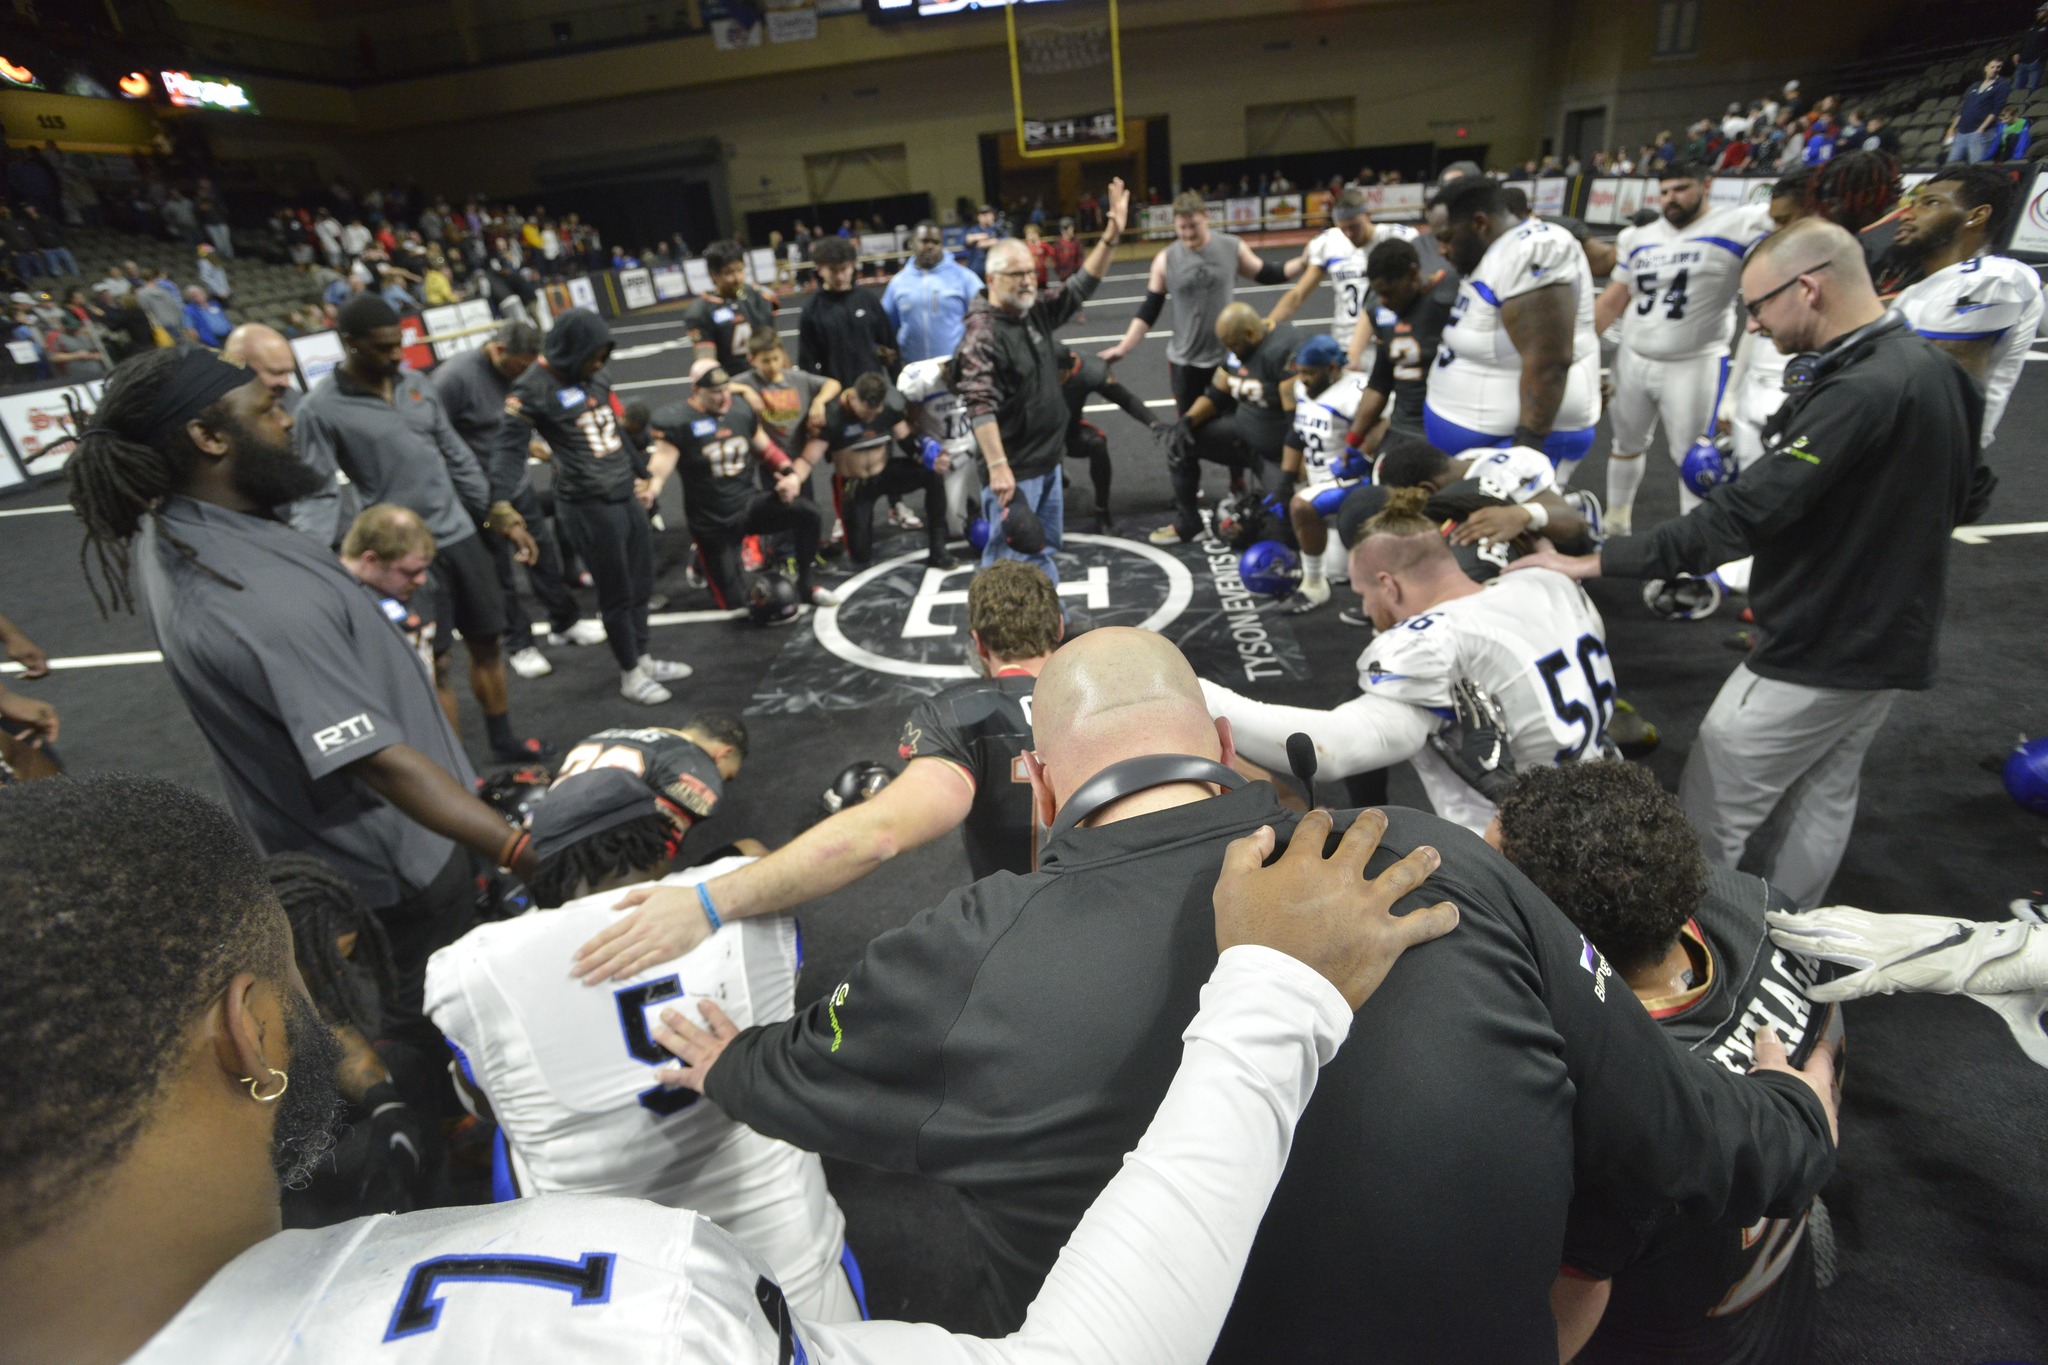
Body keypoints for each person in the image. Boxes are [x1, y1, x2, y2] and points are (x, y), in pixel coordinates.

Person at [0, 767, 1473, 1365]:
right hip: (751, 1230)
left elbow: (475, 1104)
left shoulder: (469, 973)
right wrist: (1275, 992)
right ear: (247, 1034)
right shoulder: (595, 1304)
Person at [649, 626, 1838, 1357]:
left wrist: (727, 1064)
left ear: (1040, 788)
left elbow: (801, 1077)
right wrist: (1794, 1116)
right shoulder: (1441, 860)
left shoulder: (952, 956)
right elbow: (1685, 1139)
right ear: (1222, 748)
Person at [1512, 218, 1985, 908]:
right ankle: (1789, 937)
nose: (1754, 326)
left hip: (1822, 642)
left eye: (1759, 305)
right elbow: (1970, 494)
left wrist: (1597, 561)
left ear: (1810, 287)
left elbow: (1742, 517)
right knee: (1828, 788)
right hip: (1895, 633)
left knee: (1710, 805)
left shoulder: (1859, 392)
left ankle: (1703, 953)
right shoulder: (1936, 369)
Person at [65, 349, 541, 1008]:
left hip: (338, 842)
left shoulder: (176, 524)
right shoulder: (252, 600)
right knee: (438, 1010)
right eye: (266, 408)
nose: (288, 420)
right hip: (401, 856)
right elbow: (379, 763)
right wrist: (516, 846)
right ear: (208, 437)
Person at [426, 846, 864, 1321]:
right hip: (796, 1273)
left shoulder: (470, 967)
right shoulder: (739, 887)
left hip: (623, 1307)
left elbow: (484, 1103)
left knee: (508, 1144)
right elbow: (759, 857)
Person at [1491, 762, 1834, 1365]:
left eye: (1491, 873)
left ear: (1555, 932)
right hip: (1772, 1292)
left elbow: (1555, 1324)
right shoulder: (1763, 908)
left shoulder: (1613, 1112)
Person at [572, 562, 1064, 979]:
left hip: (1017, 940)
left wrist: (708, 901)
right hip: (1127, 930)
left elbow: (879, 833)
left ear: (978, 643)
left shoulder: (960, 714)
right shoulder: (1121, 693)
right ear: (1059, 630)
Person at [1203, 484, 1610, 833]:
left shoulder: (1433, 642)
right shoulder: (1545, 579)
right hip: (1607, 797)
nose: (1365, 610)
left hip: (1518, 844)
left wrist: (1196, 691)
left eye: (1364, 595)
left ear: (1389, 585)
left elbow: (1331, 749)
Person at [295, 294, 547, 763]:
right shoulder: (320, 409)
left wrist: (498, 516)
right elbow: (318, 492)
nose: (396, 355)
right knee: (437, 663)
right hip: (403, 556)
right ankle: (454, 765)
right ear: (349, 344)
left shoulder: (417, 385)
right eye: (383, 347)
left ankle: (503, 739)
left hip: (460, 537)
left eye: (399, 344)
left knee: (487, 641)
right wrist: (313, 561)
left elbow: (457, 457)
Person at [495, 307, 691, 705]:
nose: (599, 364)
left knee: (640, 584)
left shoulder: (594, 376)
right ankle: (630, 673)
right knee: (616, 592)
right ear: (571, 350)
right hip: (587, 504)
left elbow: (614, 428)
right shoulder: (530, 390)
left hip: (623, 492)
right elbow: (506, 453)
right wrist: (498, 502)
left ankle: (643, 656)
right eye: (592, 356)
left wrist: (644, 475)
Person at [952, 179, 1131, 586]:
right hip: (1015, 473)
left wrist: (1111, 236)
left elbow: (1079, 286)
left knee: (1042, 551)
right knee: (1006, 565)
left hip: (1047, 463)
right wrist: (998, 468)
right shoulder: (983, 333)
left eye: (1031, 273)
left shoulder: (1029, 311)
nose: (1030, 281)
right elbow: (978, 404)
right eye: (1018, 275)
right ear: (993, 279)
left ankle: (1048, 626)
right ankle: (995, 643)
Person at [1593, 164, 1776, 534]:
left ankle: (1695, 544)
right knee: (1624, 443)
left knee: (1695, 459)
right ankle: (1615, 523)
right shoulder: (1638, 236)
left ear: (1705, 185)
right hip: (1633, 357)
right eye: (1664, 192)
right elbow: (1614, 299)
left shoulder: (1738, 224)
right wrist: (1575, 354)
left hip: (1694, 362)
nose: (1670, 199)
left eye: (1680, 189)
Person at [432, 319, 597, 679]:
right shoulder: (454, 379)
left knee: (542, 554)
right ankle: (519, 644)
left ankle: (564, 622)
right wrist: (475, 493)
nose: (521, 375)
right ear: (498, 350)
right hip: (482, 498)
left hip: (516, 485)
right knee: (499, 572)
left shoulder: (520, 372)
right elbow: (435, 438)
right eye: (518, 367)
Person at [1428, 176, 1602, 473]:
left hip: (1515, 441)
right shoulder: (1494, 253)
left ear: (1480, 223)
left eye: (1447, 238)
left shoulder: (1535, 247)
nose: (1442, 251)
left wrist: (1524, 458)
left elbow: (1549, 363)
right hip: (1481, 437)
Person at [647, 364, 836, 612]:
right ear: (696, 390)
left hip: (747, 504)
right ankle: (701, 561)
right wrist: (650, 489)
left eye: (726, 389)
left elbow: (767, 449)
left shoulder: (739, 410)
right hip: (713, 522)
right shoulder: (679, 421)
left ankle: (807, 586)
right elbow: (660, 466)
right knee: (735, 605)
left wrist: (789, 475)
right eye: (715, 391)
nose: (724, 397)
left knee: (808, 512)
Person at [518, 713, 752, 906]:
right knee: (751, 850)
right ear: (725, 753)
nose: (723, 781)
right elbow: (653, 859)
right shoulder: (695, 765)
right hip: (605, 886)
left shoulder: (604, 735)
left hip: (543, 859)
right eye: (728, 776)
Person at [1891, 164, 2044, 447]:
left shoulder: (1998, 278)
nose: (1908, 214)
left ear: (1976, 216)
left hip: (1926, 459)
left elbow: (1941, 392)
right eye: (1911, 203)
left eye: (1930, 203)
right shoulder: (1917, 291)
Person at [1098, 189, 1287, 414]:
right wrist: (1123, 348)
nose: (1188, 233)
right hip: (1184, 363)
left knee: (1234, 426)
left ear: (1206, 217)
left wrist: (1307, 262)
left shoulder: (1231, 247)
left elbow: (1268, 274)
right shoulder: (1165, 259)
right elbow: (1149, 309)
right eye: (1182, 228)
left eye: (1193, 226)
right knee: (1190, 429)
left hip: (1226, 357)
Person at [1151, 302, 1301, 546]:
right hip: (1241, 437)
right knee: (1180, 444)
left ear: (1251, 335)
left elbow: (1297, 423)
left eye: (1233, 345)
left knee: (1290, 530)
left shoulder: (1283, 350)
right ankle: (1189, 523)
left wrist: (1291, 475)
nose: (1230, 351)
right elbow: (1216, 394)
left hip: (1277, 453)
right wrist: (1187, 421)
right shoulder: (1238, 347)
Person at [801, 370, 951, 568]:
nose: (870, 418)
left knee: (933, 474)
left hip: (884, 473)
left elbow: (907, 441)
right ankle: (848, 536)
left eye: (875, 413)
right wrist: (793, 478)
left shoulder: (889, 409)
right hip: (854, 485)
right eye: (865, 413)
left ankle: (938, 550)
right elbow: (807, 460)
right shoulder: (832, 417)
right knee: (860, 556)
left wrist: (931, 457)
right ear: (853, 397)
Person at [1268, 186, 1423, 369]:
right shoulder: (1330, 242)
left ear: (1368, 215)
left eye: (1354, 227)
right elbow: (1298, 295)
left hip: (1388, 337)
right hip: (1344, 341)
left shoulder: (1395, 238)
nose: (1349, 234)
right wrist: (1267, 328)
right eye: (1343, 229)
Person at [1275, 334, 1371, 614]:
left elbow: (1381, 429)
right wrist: (1285, 478)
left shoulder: (1356, 391)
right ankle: (1319, 571)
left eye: (1310, 373)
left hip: (1350, 479)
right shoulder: (1301, 389)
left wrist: (1362, 456)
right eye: (1300, 372)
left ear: (1331, 368)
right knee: (1337, 570)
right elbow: (1297, 433)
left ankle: (1313, 587)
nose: (1303, 379)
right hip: (1318, 479)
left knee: (1302, 508)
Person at [1343, 236, 1462, 457]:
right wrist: (1353, 440)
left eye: (1388, 292)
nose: (1383, 300)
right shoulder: (1380, 312)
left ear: (1412, 273)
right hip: (1404, 428)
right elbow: (1380, 381)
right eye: (1378, 293)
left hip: (1450, 424)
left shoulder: (1453, 297)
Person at [1057, 347, 1158, 534]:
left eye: (1058, 376)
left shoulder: (1090, 372)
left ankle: (1102, 512)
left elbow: (1124, 399)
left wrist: (1153, 422)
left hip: (1068, 433)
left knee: (1097, 444)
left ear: (1070, 370)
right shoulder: (1032, 368)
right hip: (1037, 437)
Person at [797, 235, 897, 386]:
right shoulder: (812, 309)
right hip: (836, 395)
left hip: (873, 391)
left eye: (844, 269)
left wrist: (900, 384)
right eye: (833, 270)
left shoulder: (869, 301)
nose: (840, 276)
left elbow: (890, 345)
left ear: (853, 265)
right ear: (820, 268)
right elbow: (807, 362)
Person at [881, 220, 982, 364]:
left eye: (935, 242)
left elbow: (985, 319)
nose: (930, 247)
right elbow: (885, 326)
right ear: (912, 243)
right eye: (924, 241)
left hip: (955, 369)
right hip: (913, 370)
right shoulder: (898, 282)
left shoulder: (965, 278)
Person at [683, 239, 778, 377]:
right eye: (728, 273)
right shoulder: (700, 311)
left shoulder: (759, 297)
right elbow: (706, 362)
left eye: (740, 270)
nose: (737, 278)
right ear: (713, 275)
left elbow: (775, 346)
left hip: (767, 377)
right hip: (733, 383)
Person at [1954, 58, 2012, 163]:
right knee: (1951, 165)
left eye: (1998, 67)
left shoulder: (2002, 84)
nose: (1995, 69)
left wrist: (1981, 129)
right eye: (1992, 67)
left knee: (1976, 166)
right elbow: (1963, 109)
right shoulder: (1974, 86)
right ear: (1986, 68)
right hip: (1962, 132)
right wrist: (1952, 128)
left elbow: (1996, 110)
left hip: (1980, 132)